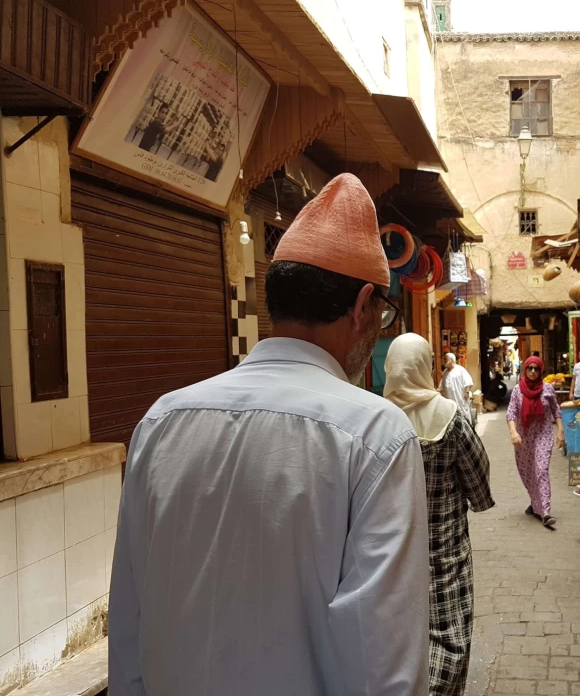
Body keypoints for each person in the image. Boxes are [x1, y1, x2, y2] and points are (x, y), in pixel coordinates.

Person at [109, 174, 429, 696]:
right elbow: (384, 664)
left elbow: (128, 625)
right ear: (362, 303)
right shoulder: (375, 436)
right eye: (382, 313)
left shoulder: (162, 421)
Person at [384, 333, 494, 696]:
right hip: (444, 559)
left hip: (387, 561)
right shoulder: (449, 416)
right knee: (448, 644)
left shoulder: (374, 420)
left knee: (393, 646)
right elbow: (479, 487)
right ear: (425, 366)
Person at [507, 356, 564, 529]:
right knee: (527, 472)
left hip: (543, 436)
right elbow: (511, 413)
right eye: (530, 368)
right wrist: (513, 432)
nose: (533, 371)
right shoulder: (518, 390)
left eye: (536, 369)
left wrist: (561, 432)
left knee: (541, 470)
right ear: (525, 369)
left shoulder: (548, 389)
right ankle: (535, 501)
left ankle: (545, 511)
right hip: (523, 439)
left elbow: (556, 410)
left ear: (541, 371)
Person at [440, 352, 475, 422]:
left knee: (463, 416)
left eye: (446, 360)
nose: (445, 362)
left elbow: (468, 382)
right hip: (450, 401)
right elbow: (442, 386)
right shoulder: (446, 372)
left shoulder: (460, 370)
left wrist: (467, 392)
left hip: (460, 399)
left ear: (451, 360)